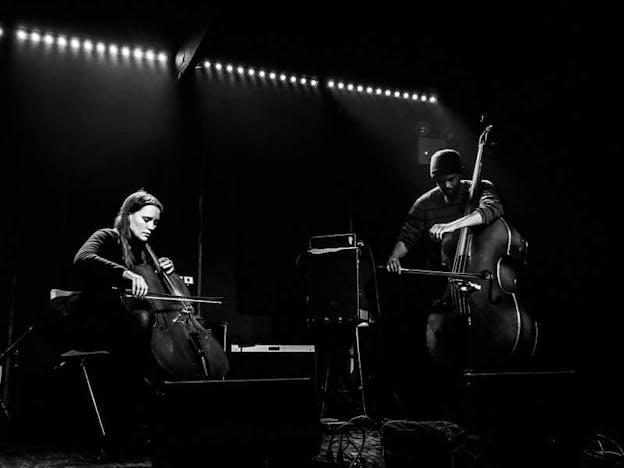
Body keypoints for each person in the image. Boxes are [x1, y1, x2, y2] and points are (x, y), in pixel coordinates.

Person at [385, 148, 504, 419]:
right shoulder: (426, 202)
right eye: (440, 181)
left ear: (460, 175)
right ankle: (444, 405)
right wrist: (394, 256)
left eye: (450, 179)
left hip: (482, 281)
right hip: (449, 283)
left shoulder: (479, 187)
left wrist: (453, 226)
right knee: (434, 337)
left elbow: (492, 210)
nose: (446, 186)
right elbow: (409, 233)